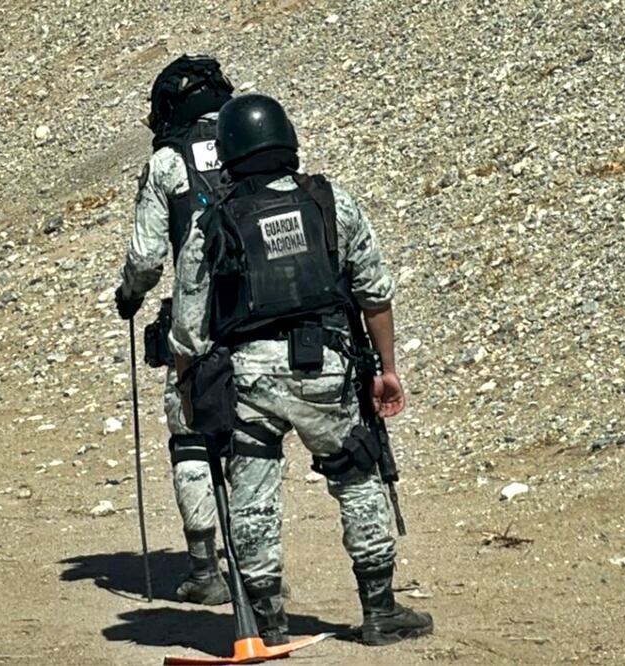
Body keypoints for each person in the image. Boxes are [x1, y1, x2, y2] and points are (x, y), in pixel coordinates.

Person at [169, 93, 434, 645]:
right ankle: (380, 610)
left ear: (230, 153)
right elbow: (375, 294)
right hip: (327, 373)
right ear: (287, 141)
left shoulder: (210, 222)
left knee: (253, 496)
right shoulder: (332, 203)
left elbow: (189, 333)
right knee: (358, 478)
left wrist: (193, 394)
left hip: (248, 383)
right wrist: (387, 369)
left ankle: (265, 622)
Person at [113, 54, 235, 605]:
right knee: (253, 442)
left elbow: (145, 257)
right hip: (268, 315)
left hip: (198, 322)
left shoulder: (168, 162)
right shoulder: (256, 143)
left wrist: (129, 296)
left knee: (190, 436)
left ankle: (204, 569)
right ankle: (255, 565)